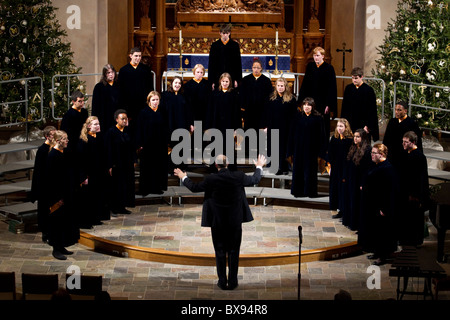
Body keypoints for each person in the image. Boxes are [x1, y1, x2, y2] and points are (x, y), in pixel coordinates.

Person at [174, 154, 267, 290]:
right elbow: (255, 179)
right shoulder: (238, 176)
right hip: (235, 221)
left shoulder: (211, 179)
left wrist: (183, 177)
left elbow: (194, 187)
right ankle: (233, 282)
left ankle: (222, 281)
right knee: (234, 251)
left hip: (217, 222)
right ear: (227, 163)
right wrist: (259, 165)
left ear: (216, 165)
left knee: (220, 251)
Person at [359, 143, 398, 266]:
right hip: (372, 205)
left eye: (374, 153)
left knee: (382, 232)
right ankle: (376, 252)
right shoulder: (376, 165)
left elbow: (389, 191)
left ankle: (382, 256)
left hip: (381, 206)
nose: (372, 155)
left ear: (381, 154)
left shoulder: (388, 169)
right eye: (371, 153)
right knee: (374, 230)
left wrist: (384, 208)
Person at [44, 130, 80, 260]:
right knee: (56, 223)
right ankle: (55, 249)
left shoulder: (63, 153)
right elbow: (51, 180)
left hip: (65, 194)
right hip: (56, 197)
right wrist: (57, 199)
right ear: (58, 141)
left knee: (63, 222)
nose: (67, 141)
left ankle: (61, 246)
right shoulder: (52, 156)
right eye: (65, 139)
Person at [288, 97, 327, 198]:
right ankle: (298, 191)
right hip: (298, 149)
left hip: (312, 150)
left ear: (312, 107)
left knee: (310, 172)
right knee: (298, 170)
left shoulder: (318, 119)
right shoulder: (297, 117)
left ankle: (310, 192)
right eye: (305, 105)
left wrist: (321, 151)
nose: (306, 107)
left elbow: (322, 136)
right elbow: (292, 134)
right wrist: (291, 149)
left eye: (308, 105)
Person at [76, 116, 110, 228]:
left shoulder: (99, 138)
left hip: (99, 173)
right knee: (88, 199)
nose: (98, 126)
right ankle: (87, 221)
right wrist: (83, 176)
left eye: (98, 123)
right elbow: (80, 161)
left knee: (98, 196)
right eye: (95, 124)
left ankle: (96, 218)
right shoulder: (84, 141)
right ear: (89, 126)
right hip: (89, 174)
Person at [398, 131, 430, 246]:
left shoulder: (419, 156)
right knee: (407, 218)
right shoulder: (408, 153)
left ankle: (414, 241)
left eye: (406, 142)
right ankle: (406, 239)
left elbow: (421, 178)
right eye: (403, 142)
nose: (403, 144)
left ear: (413, 142)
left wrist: (417, 195)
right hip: (407, 192)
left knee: (414, 219)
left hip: (414, 194)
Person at [298, 46, 337, 140]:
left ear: (323, 56)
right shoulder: (310, 67)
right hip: (311, 101)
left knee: (322, 126)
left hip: (323, 102)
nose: (316, 57)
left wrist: (329, 105)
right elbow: (305, 84)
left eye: (318, 55)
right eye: (315, 55)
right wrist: (302, 101)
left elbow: (332, 88)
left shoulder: (329, 68)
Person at [117, 47, 154, 141]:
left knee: (143, 129)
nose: (138, 58)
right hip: (129, 106)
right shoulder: (124, 70)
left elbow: (150, 88)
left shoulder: (145, 70)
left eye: (139, 56)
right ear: (130, 56)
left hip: (142, 105)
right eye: (136, 56)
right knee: (130, 130)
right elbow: (121, 90)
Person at [136, 91, 169, 195]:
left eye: (157, 100)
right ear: (149, 101)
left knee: (158, 167)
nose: (155, 102)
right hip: (147, 145)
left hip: (160, 144)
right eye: (153, 100)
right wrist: (139, 144)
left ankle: (156, 188)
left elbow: (166, 128)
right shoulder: (143, 112)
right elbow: (139, 129)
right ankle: (145, 189)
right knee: (146, 167)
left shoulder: (162, 111)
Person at [205, 72, 241, 167]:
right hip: (216, 125)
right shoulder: (214, 94)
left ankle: (231, 168)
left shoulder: (234, 95)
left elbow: (237, 113)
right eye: (223, 81)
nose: (225, 83)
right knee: (216, 146)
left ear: (230, 82)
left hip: (229, 125)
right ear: (220, 81)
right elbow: (210, 111)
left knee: (229, 147)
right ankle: (215, 167)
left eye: (227, 81)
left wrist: (237, 128)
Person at [263, 77, 297, 175]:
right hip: (273, 126)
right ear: (276, 87)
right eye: (278, 86)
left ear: (285, 87)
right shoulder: (271, 98)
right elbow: (266, 113)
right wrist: (266, 126)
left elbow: (294, 116)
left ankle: (284, 167)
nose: (280, 88)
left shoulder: (291, 99)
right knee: (273, 147)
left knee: (283, 148)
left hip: (285, 128)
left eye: (282, 86)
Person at [105, 109, 135, 215]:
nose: (124, 121)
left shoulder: (127, 131)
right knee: (115, 187)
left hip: (126, 164)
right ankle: (113, 208)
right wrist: (110, 165)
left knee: (124, 186)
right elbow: (108, 149)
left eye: (126, 119)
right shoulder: (111, 132)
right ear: (116, 119)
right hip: (116, 164)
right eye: (122, 119)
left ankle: (122, 207)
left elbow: (131, 147)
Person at [342, 129, 374, 231]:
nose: (355, 138)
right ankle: (349, 221)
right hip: (351, 179)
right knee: (350, 200)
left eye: (358, 137)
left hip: (360, 181)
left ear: (363, 138)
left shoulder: (368, 150)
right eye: (354, 136)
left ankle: (357, 224)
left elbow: (368, 169)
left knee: (357, 202)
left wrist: (364, 183)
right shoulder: (353, 148)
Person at [30, 125, 56, 243]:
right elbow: (39, 171)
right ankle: (45, 233)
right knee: (45, 210)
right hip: (45, 185)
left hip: (53, 184)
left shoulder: (55, 148)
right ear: (47, 136)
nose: (55, 136)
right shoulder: (42, 150)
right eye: (53, 134)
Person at [341, 67, 379, 142]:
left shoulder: (368, 90)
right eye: (352, 78)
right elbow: (344, 106)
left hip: (363, 122)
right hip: (351, 121)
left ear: (361, 77)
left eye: (356, 78)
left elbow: (372, 110)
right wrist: (344, 122)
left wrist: (368, 126)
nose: (354, 80)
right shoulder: (348, 88)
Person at [383, 101, 422, 173]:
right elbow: (386, 139)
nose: (396, 112)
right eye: (395, 109)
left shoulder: (411, 123)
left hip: (405, 157)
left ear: (405, 111)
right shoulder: (392, 122)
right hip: (392, 156)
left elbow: (417, 142)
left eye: (399, 110)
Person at [327, 118, 353, 219]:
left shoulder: (350, 140)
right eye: (338, 126)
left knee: (343, 190)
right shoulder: (334, 138)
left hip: (345, 168)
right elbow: (330, 153)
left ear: (346, 127)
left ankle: (344, 210)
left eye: (341, 126)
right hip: (336, 168)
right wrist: (329, 165)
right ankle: (338, 209)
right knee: (336, 189)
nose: (339, 128)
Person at [240, 58, 273, 137]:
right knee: (248, 130)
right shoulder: (246, 80)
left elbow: (269, 96)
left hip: (261, 110)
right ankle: (248, 148)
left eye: (258, 68)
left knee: (259, 130)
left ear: (261, 68)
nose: (256, 70)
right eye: (254, 67)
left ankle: (259, 148)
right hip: (249, 110)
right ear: (252, 68)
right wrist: (243, 107)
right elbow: (242, 94)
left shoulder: (266, 81)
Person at [208, 24, 242, 90]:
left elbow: (238, 64)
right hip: (217, 78)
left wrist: (237, 80)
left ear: (229, 33)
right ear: (220, 33)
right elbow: (211, 65)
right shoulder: (215, 46)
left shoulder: (235, 45)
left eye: (227, 33)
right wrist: (212, 81)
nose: (225, 35)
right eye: (223, 33)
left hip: (231, 77)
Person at [92, 64, 120, 133]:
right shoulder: (99, 87)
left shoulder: (119, 86)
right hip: (104, 118)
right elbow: (95, 105)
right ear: (105, 74)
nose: (111, 75)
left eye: (112, 72)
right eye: (108, 73)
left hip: (117, 116)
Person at [60, 90, 88, 157]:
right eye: (79, 101)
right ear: (73, 101)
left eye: (83, 101)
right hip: (73, 143)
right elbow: (65, 130)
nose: (82, 103)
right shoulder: (69, 114)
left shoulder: (84, 112)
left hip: (82, 140)